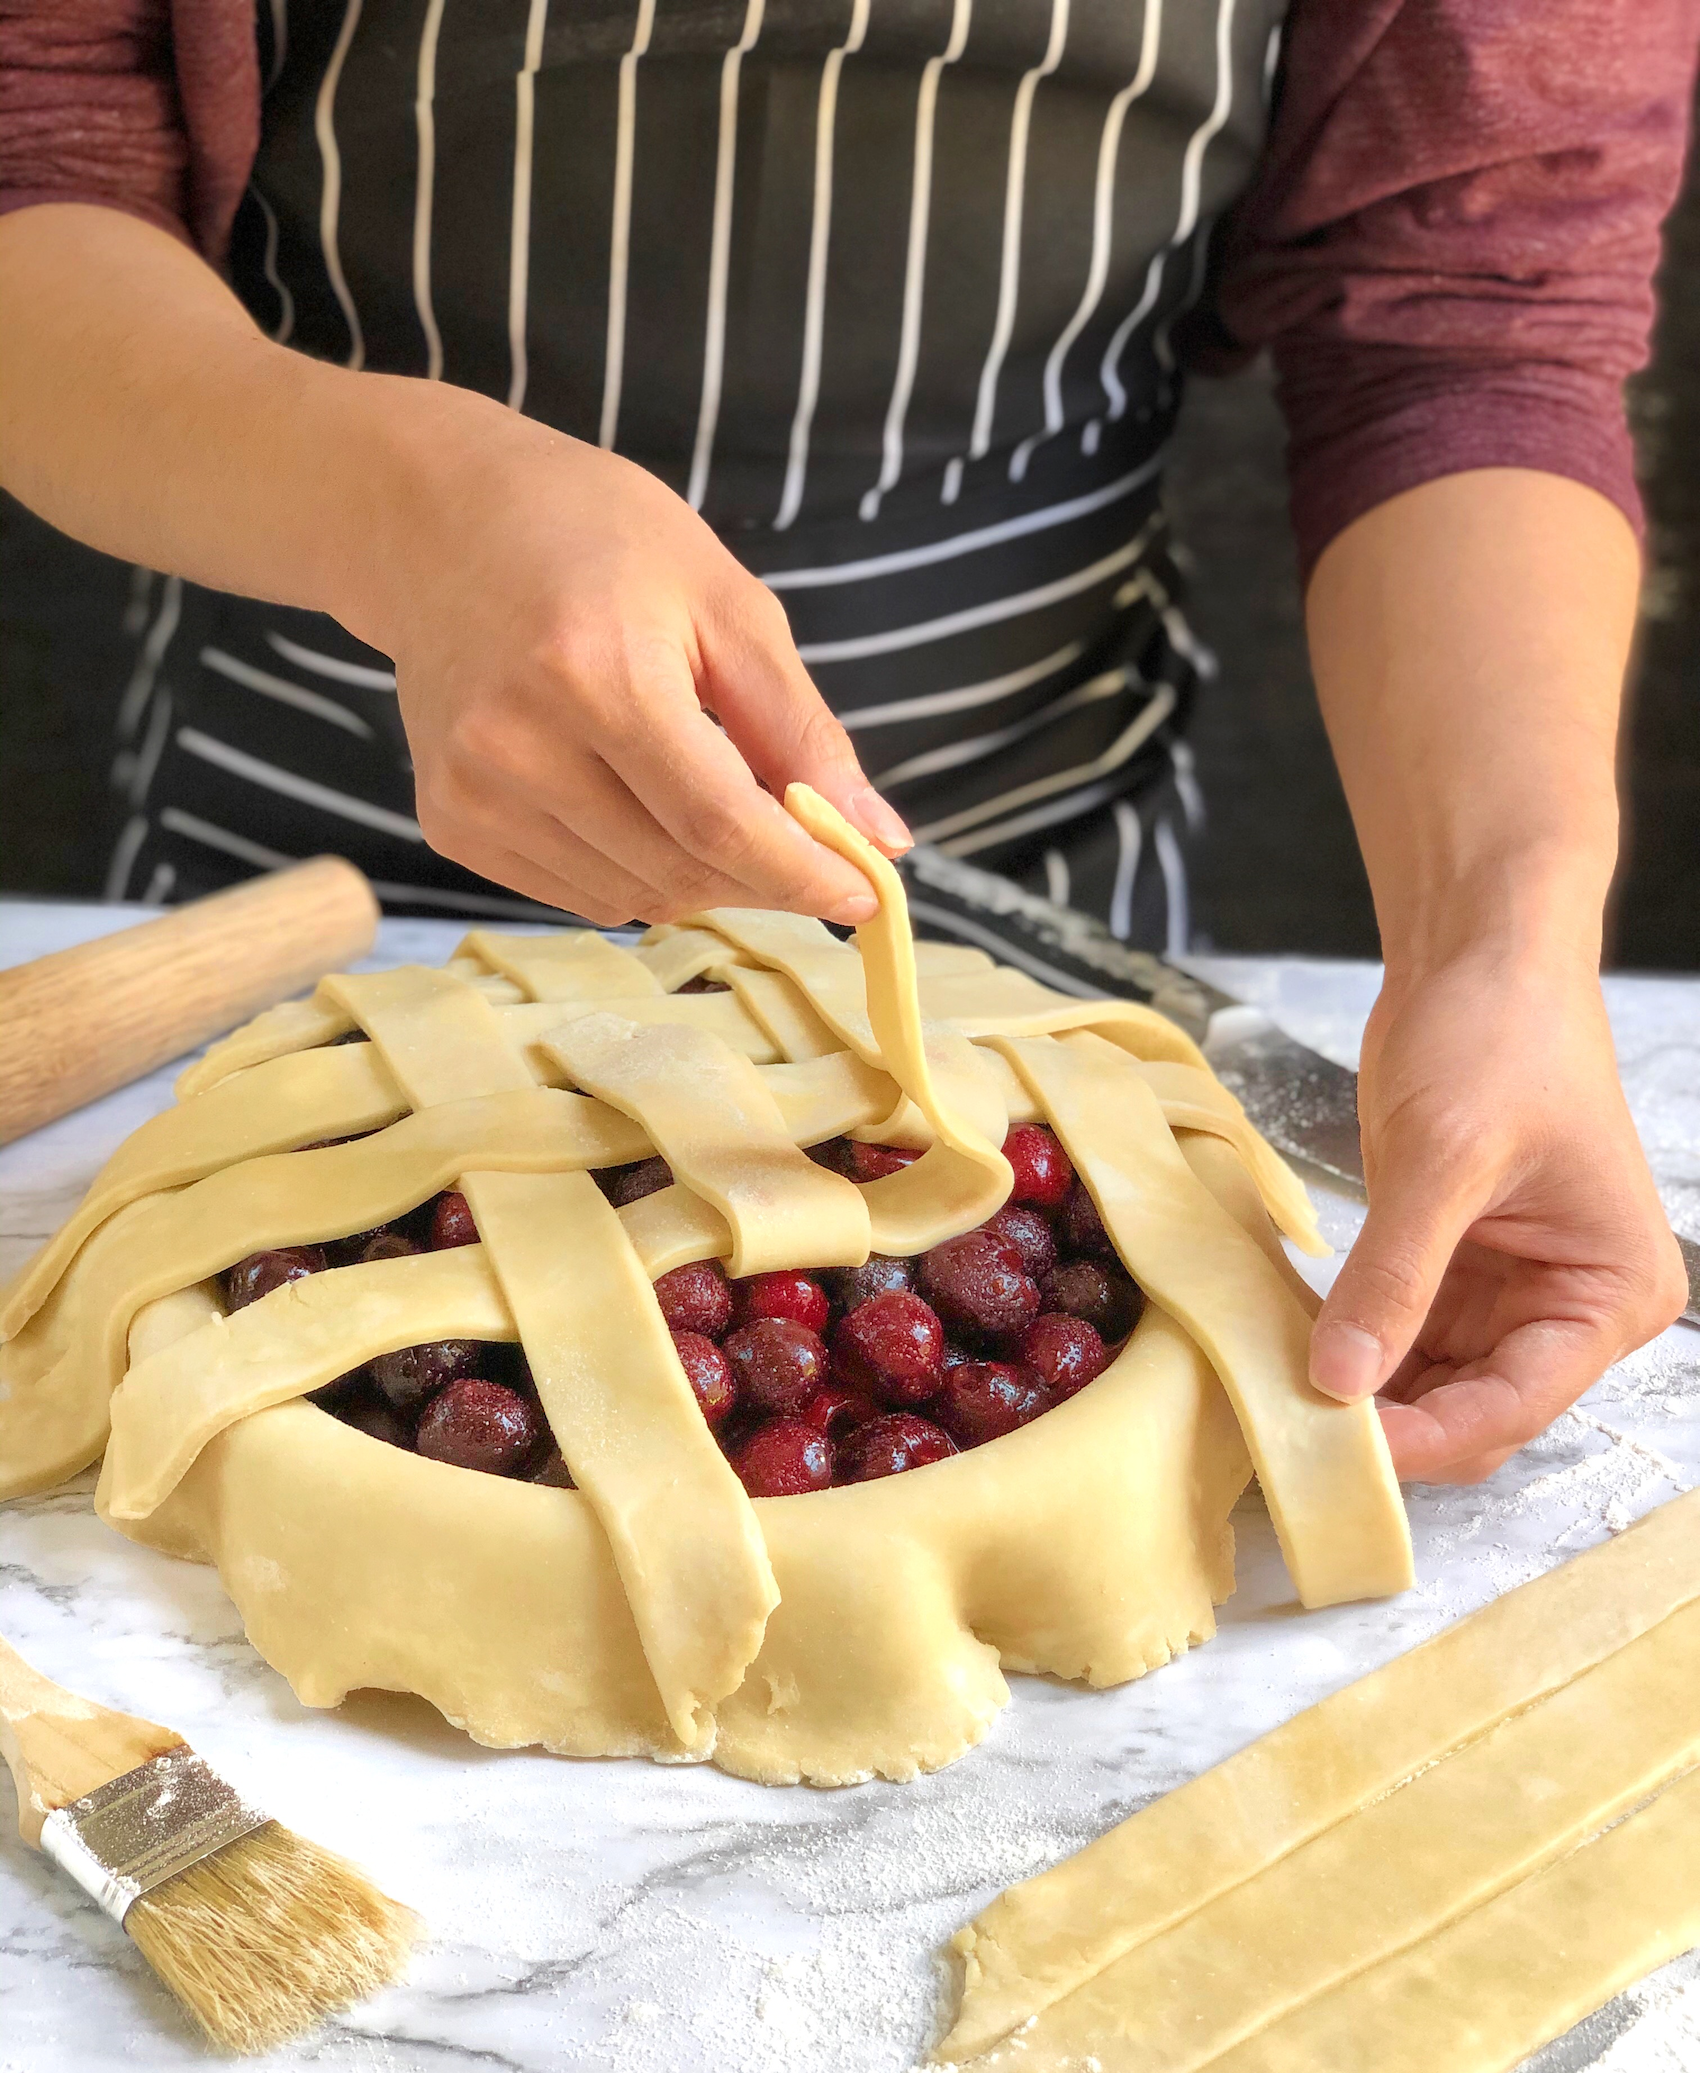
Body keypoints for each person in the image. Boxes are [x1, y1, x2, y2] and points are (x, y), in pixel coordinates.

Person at [0, 0, 1691, 1487]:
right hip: (314, 900)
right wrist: (405, 515)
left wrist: (1503, 935)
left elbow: (1469, 315)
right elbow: (35, 169)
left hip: (1040, 938)